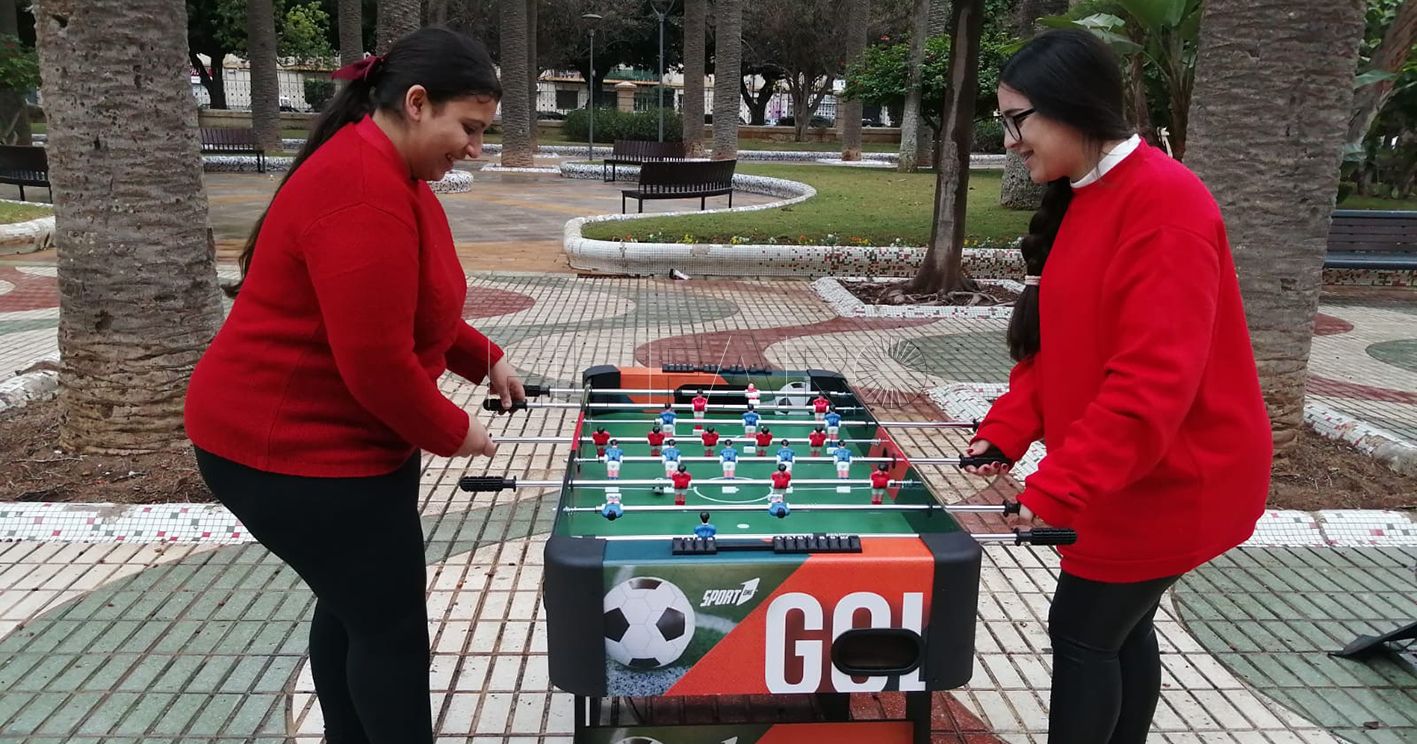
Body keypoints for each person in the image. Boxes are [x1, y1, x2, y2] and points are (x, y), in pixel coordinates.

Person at [183, 29, 519, 744]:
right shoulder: (363, 187)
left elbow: (412, 304)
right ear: (417, 103)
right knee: (391, 632)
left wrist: (485, 357)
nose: (474, 150)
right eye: (468, 129)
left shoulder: (394, 172)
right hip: (286, 452)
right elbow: (375, 364)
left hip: (342, 446)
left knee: (355, 609)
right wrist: (454, 431)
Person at [961, 29, 1271, 744]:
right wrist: (1006, 429)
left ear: (1071, 109)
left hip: (1176, 479)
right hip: (1125, 475)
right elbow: (1062, 347)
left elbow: (1150, 383)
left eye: (1016, 120)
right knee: (1117, 631)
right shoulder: (1088, 194)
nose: (1008, 140)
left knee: (1081, 632)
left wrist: (1055, 489)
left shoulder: (1164, 207)